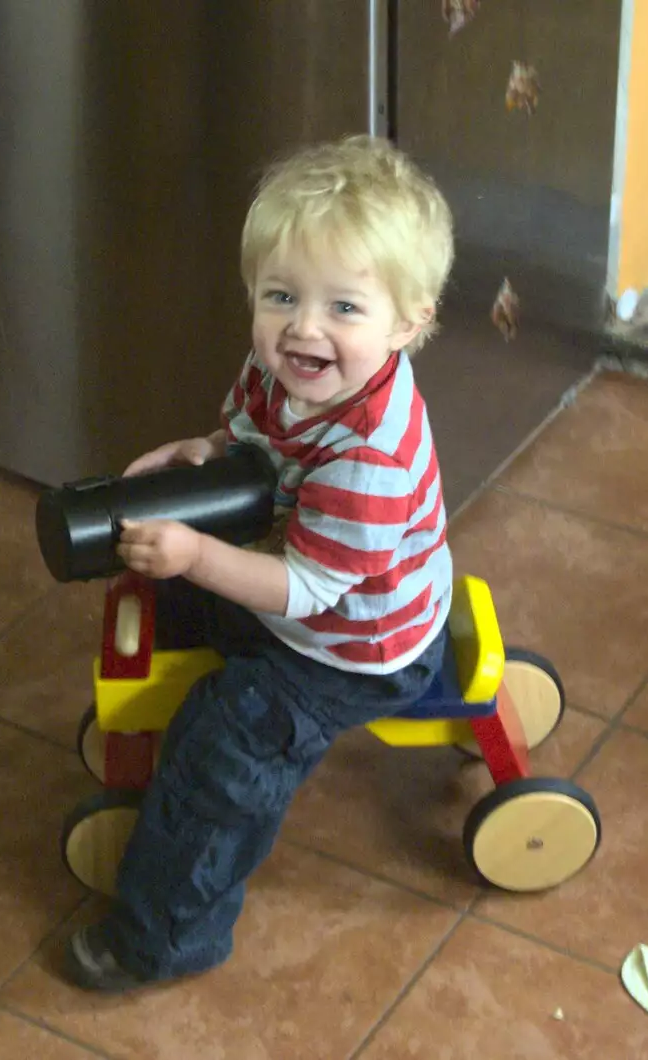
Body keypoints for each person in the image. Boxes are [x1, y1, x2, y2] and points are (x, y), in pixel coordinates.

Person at [66, 135, 456, 991]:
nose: (303, 326)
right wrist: (205, 451)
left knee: (225, 753)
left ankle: (162, 940)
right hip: (297, 567)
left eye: (344, 309)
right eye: (280, 295)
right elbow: (249, 439)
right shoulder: (284, 368)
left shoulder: (369, 458)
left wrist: (199, 553)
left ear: (408, 322)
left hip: (348, 647)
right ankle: (148, 742)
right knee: (161, 589)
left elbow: (309, 593)